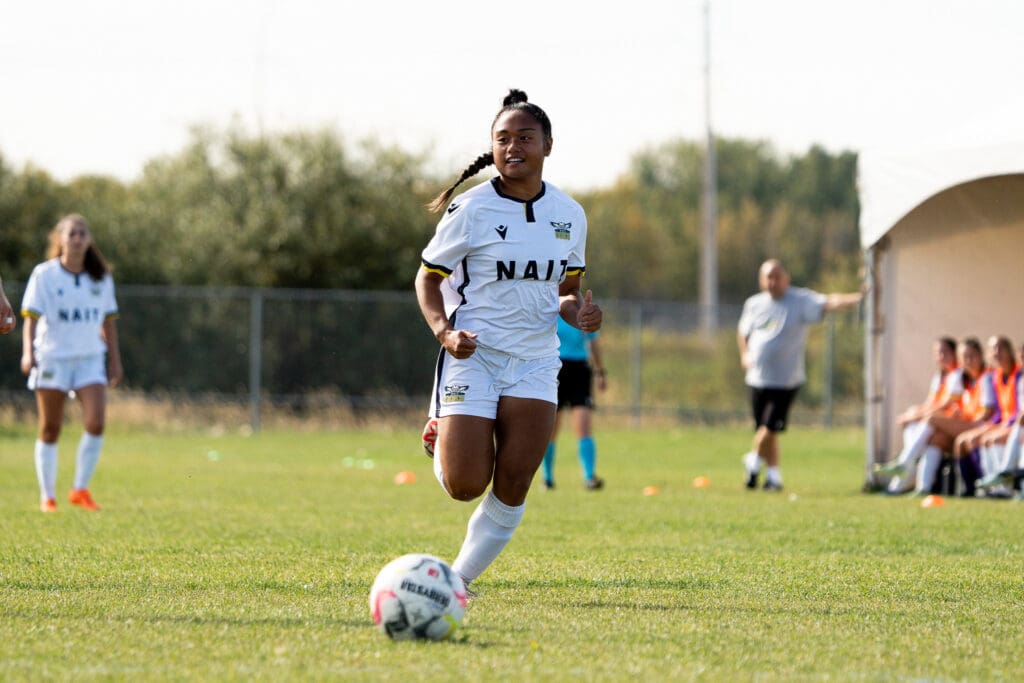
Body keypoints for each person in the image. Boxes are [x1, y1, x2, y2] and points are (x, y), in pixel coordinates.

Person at [415, 89, 601, 592]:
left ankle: (457, 581)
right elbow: (427, 278)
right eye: (503, 139)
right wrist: (444, 331)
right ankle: (442, 432)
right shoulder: (470, 209)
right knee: (465, 484)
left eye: (525, 138)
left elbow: (564, 291)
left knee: (515, 483)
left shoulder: (570, 214)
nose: (513, 147)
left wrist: (577, 312)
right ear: (492, 148)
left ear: (548, 145)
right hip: (474, 355)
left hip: (538, 361)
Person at [20, 214, 123, 512]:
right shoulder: (45, 275)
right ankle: (47, 496)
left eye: (82, 234)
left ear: (89, 240)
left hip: (90, 359)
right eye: (72, 233)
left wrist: (115, 360)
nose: (77, 238)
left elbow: (109, 322)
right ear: (60, 239)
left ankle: (79, 489)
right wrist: (28, 352)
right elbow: (31, 317)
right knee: (50, 427)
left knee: (96, 422)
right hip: (53, 357)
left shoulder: (101, 278)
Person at [737, 259, 863, 491]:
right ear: (761, 280)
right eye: (768, 277)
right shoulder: (754, 304)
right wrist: (745, 355)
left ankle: (753, 460)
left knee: (770, 427)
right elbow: (743, 332)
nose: (773, 282)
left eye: (777, 277)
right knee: (766, 431)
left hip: (785, 380)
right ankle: (773, 477)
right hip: (757, 378)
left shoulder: (799, 300)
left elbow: (829, 302)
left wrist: (858, 298)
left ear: (787, 277)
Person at [873, 337, 983, 495]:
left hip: (954, 423)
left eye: (945, 352)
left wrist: (915, 416)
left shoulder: (958, 375)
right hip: (944, 426)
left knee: (928, 420)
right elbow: (930, 403)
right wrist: (913, 413)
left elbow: (945, 406)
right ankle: (918, 487)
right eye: (938, 352)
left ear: (954, 354)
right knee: (931, 437)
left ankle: (904, 464)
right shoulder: (940, 376)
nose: (941, 356)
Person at [540, 315, 607, 491]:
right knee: (551, 428)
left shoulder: (582, 309)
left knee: (583, 425)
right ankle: (547, 478)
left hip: (580, 371)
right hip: (556, 368)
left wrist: (600, 372)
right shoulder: (551, 309)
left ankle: (589, 476)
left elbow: (594, 343)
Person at [951, 335, 1019, 495]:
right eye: (993, 349)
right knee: (968, 440)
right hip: (1005, 423)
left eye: (1001, 348)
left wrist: (1002, 424)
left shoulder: (1017, 374)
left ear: (1010, 351)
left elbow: (1016, 410)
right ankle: (979, 488)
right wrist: (994, 423)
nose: (997, 352)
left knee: (988, 439)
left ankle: (1003, 488)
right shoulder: (996, 376)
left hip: (1014, 425)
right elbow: (999, 411)